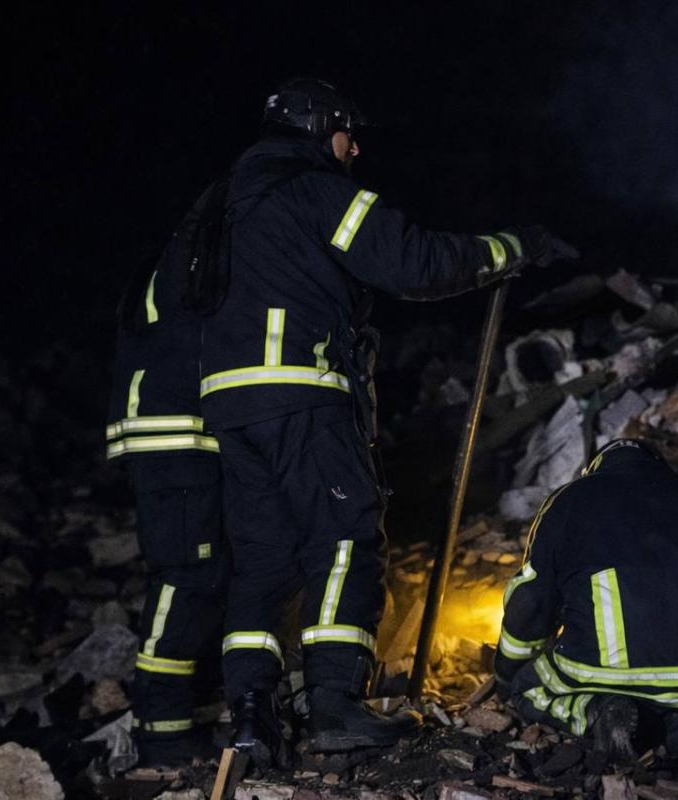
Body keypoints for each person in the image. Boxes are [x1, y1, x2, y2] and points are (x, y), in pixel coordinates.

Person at [198, 77, 577, 763]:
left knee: (261, 561)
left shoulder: (228, 206)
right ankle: (336, 705)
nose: (355, 145)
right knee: (342, 542)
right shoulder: (314, 191)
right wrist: (510, 249)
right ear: (316, 129)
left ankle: (254, 716)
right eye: (346, 130)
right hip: (300, 390)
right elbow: (412, 262)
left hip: (230, 402)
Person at [494, 438, 678, 763]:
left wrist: (508, 671)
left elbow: (531, 603)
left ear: (592, 469)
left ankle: (599, 712)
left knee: (529, 688)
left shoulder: (568, 502)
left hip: (610, 679)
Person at [105, 185, 231, 766]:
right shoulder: (206, 249)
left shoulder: (182, 248)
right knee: (189, 576)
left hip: (172, 433)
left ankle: (179, 714)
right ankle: (161, 727)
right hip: (175, 433)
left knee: (198, 573)